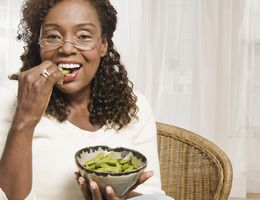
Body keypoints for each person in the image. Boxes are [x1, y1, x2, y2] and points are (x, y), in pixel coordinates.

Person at [0, 0, 173, 199]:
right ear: (38, 44)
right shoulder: (8, 98)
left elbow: (151, 194)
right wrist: (25, 117)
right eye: (53, 36)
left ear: (103, 45)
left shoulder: (135, 107)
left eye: (83, 36)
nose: (66, 49)